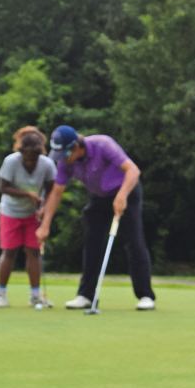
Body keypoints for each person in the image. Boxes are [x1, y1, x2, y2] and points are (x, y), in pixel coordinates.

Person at [44, 125, 155, 311]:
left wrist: (122, 196)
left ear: (75, 147)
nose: (62, 159)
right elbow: (56, 193)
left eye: (64, 153)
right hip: (99, 197)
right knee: (92, 242)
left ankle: (145, 295)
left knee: (134, 241)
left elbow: (133, 171)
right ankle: (85, 295)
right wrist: (45, 225)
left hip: (126, 190)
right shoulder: (66, 163)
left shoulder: (102, 145)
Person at [0, 126, 56, 309]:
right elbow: (3, 187)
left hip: (33, 214)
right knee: (9, 252)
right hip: (10, 212)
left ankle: (35, 296)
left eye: (34, 156)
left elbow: (52, 189)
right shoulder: (11, 162)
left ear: (40, 153)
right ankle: (1, 293)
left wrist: (44, 207)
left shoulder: (47, 164)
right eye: (27, 156)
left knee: (33, 252)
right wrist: (27, 194)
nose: (30, 160)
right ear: (21, 151)